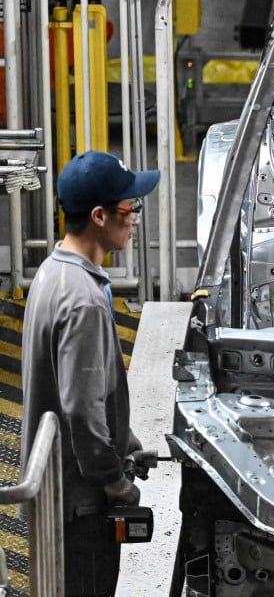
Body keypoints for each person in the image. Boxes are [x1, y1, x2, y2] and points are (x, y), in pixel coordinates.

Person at [20, 151, 160, 596]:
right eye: (128, 208)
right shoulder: (82, 300)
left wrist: (128, 445)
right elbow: (81, 409)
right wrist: (116, 482)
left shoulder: (53, 272)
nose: (135, 217)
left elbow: (81, 389)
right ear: (99, 216)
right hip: (80, 509)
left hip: (58, 499)